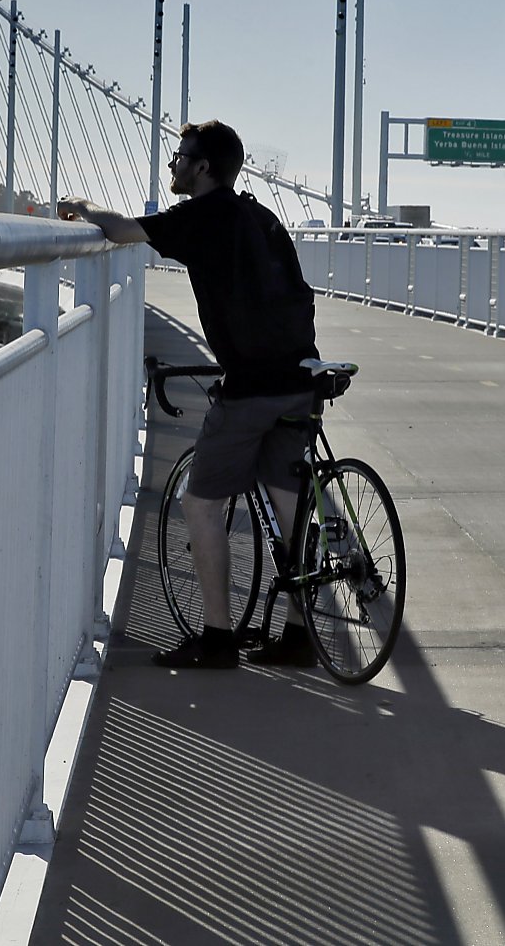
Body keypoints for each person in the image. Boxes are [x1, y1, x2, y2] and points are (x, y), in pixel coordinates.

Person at [61, 120, 321, 669]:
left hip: (250, 387)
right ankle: (299, 636)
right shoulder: (262, 216)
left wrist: (83, 205)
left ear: (203, 168)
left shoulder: (201, 217)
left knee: (199, 503)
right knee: (289, 501)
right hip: (301, 376)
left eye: (180, 157)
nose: (173, 165)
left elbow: (121, 231)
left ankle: (217, 637)